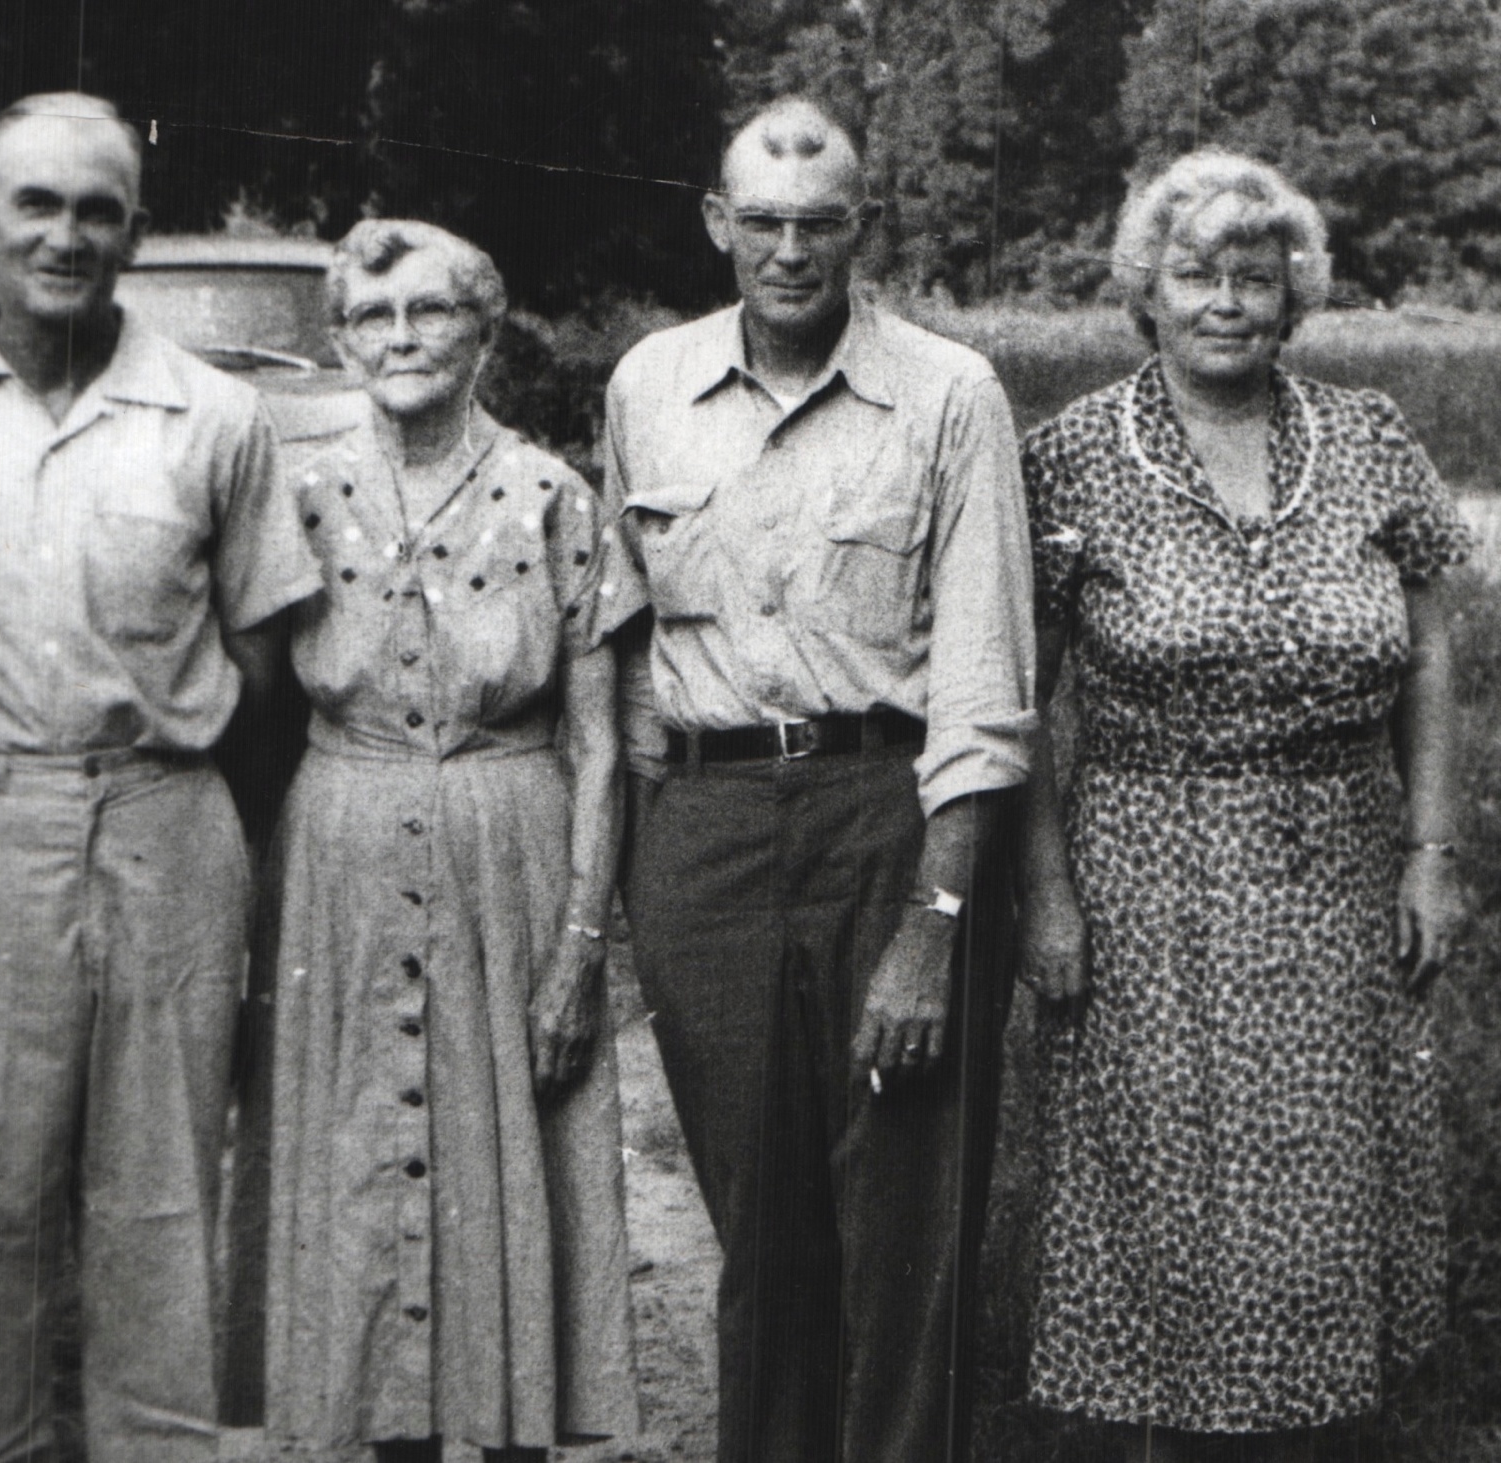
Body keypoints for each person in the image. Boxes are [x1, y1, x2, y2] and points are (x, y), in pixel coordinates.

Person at [0, 94, 318, 1463]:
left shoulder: (216, 416)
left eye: (97, 209)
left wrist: (208, 817)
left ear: (136, 231)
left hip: (169, 814)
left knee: (161, 1185)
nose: (66, 234)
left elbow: (262, 662)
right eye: (36, 204)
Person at [1020, 150, 1472, 1463]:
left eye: (1254, 276)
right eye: (1196, 273)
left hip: (1338, 882)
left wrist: (1432, 852)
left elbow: (1433, 650)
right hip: (1148, 887)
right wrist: (1045, 894)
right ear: (1146, 295)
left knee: (1318, 1218)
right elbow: (1022, 701)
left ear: (1293, 298)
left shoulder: (1373, 434)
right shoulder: (1072, 458)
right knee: (1163, 1214)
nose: (1226, 299)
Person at [606, 96, 1036, 1463]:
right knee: (757, 1223)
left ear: (863, 227)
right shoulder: (646, 387)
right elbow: (622, 648)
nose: (789, 253)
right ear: (718, 224)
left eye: (820, 224)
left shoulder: (951, 392)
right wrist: (634, 869)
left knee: (905, 1229)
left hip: (883, 817)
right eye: (763, 225)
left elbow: (981, 687)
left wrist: (936, 926)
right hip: (707, 829)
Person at [249, 219, 643, 1463]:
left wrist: (581, 942)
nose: (401, 338)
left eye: (429, 312)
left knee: (512, 1182)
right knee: (368, 1179)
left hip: (508, 863)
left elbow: (598, 744)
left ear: (486, 327)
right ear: (341, 339)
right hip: (343, 869)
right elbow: (250, 724)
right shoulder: (297, 496)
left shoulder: (549, 497)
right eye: (372, 318)